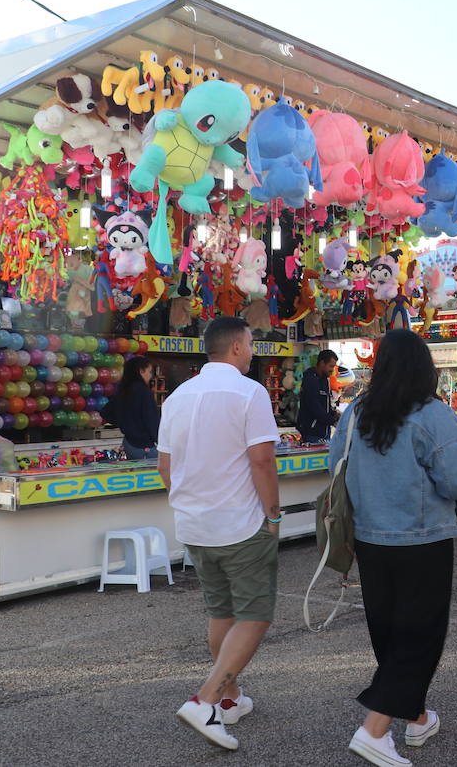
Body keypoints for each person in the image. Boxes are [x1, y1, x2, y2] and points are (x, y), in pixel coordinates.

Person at [335, 329, 457, 767]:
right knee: (420, 636)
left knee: (389, 632)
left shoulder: (355, 411)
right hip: (423, 538)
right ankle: (374, 731)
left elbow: (335, 465)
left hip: (369, 537)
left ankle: (416, 717)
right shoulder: (433, 414)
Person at [161, 317, 281, 751]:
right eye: (250, 343)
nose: (253, 351)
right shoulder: (250, 392)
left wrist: (193, 501)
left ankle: (230, 699)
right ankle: (206, 700)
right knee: (254, 614)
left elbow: (165, 470)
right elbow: (262, 461)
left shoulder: (177, 396)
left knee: (221, 611)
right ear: (234, 348)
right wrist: (274, 515)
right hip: (240, 522)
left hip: (194, 523)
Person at [111, 356, 160, 459]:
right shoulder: (144, 392)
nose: (150, 376)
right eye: (150, 372)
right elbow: (151, 419)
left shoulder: (123, 391)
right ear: (141, 371)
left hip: (128, 442)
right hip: (144, 444)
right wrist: (160, 440)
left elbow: (107, 413)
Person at [297, 348, 340, 442]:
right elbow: (315, 407)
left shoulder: (324, 380)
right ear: (322, 363)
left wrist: (334, 414)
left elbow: (324, 405)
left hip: (324, 432)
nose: (332, 370)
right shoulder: (311, 380)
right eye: (330, 366)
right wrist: (333, 422)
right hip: (312, 433)